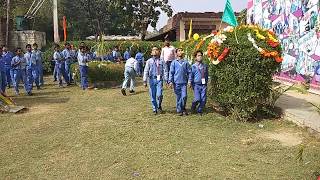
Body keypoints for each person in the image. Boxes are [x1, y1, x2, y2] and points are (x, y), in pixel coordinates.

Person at [143, 46, 167, 115]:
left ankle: (159, 105)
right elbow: (146, 71)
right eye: (153, 50)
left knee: (159, 95)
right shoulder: (149, 61)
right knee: (153, 95)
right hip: (151, 79)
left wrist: (166, 80)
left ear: (159, 52)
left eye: (157, 50)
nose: (155, 51)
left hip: (159, 80)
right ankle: (154, 108)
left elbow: (165, 70)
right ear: (151, 53)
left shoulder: (162, 61)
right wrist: (144, 80)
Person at [169, 48, 191, 116]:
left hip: (184, 83)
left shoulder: (186, 62)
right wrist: (170, 81)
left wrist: (189, 81)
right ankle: (179, 110)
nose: (181, 52)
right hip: (176, 83)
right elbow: (171, 72)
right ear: (176, 53)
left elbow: (189, 72)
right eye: (179, 51)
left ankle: (183, 107)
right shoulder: (174, 62)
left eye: (182, 50)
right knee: (178, 97)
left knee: (184, 96)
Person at [189, 50, 209, 115]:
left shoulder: (205, 65)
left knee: (203, 99)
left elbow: (206, 74)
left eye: (201, 55)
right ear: (195, 57)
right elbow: (191, 75)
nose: (200, 57)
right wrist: (190, 82)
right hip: (196, 85)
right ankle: (193, 106)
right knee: (197, 98)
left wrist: (206, 83)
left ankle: (199, 111)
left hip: (203, 85)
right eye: (198, 56)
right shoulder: (193, 66)